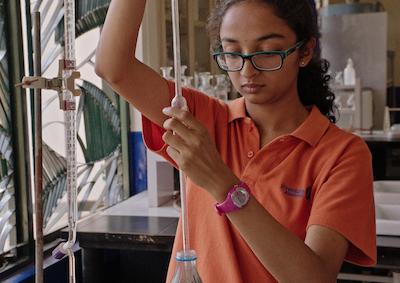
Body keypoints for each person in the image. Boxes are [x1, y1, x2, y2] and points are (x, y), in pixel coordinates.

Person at [95, 0, 377, 282]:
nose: (247, 71)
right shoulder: (204, 118)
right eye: (232, 52)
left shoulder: (342, 154)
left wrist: (222, 184)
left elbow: (314, 279)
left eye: (266, 52)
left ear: (305, 51)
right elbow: (113, 67)